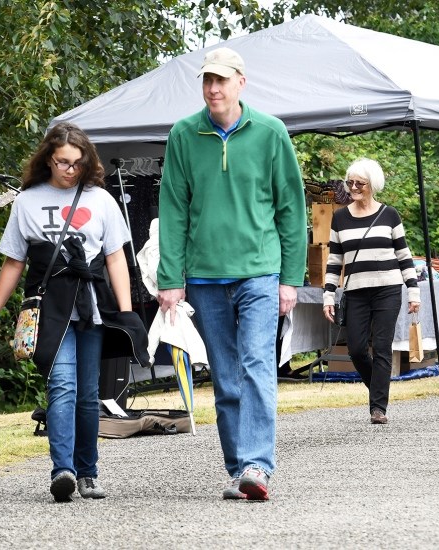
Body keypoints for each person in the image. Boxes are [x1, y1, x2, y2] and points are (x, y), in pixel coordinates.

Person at [157, 47, 307, 501]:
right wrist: (170, 277)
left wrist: (290, 279)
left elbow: (291, 209)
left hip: (260, 271)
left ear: (241, 81)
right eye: (207, 81)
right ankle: (238, 466)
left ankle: (257, 465)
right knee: (224, 375)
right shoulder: (184, 134)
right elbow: (173, 209)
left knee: (258, 365)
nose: (214, 89)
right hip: (204, 276)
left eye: (222, 80)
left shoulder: (270, 133)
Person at [0, 122, 149, 503]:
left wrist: (125, 314)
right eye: (62, 162)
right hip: (48, 307)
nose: (69, 170)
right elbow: (13, 263)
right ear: (48, 159)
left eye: (76, 163)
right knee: (62, 387)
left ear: (86, 161)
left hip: (92, 305)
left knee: (89, 395)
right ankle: (63, 470)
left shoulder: (100, 200)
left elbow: (115, 258)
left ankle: (88, 472)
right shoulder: (27, 201)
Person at [322, 158, 419, 425]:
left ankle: (378, 408)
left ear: (372, 185)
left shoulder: (390, 215)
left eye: (359, 183)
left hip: (387, 288)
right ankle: (378, 389)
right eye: (350, 182)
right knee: (355, 349)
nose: (353, 187)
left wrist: (413, 291)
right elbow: (334, 262)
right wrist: (328, 295)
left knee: (382, 346)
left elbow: (404, 256)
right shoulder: (340, 218)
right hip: (355, 291)